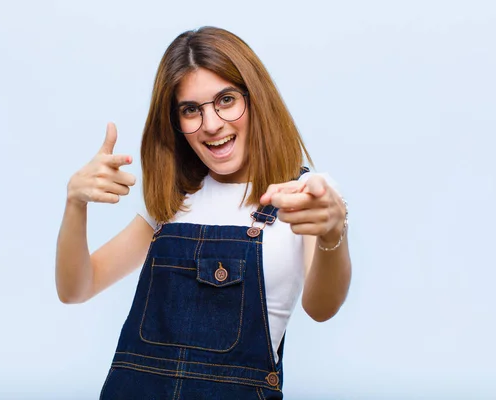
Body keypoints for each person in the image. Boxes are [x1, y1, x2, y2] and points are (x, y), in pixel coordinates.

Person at [56, 26, 351, 399]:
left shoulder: (305, 194)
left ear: (255, 97)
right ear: (176, 123)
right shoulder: (171, 199)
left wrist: (331, 233)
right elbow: (76, 288)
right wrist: (75, 203)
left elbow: (322, 308)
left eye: (226, 100)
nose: (211, 125)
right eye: (191, 110)